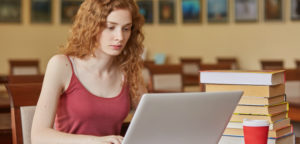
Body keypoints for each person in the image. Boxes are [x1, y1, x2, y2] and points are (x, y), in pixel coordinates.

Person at [31, 0, 146, 144]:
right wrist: (95, 141)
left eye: (126, 28)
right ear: (91, 26)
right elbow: (38, 136)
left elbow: (151, 120)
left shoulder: (129, 70)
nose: (120, 37)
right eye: (111, 27)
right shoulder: (61, 65)